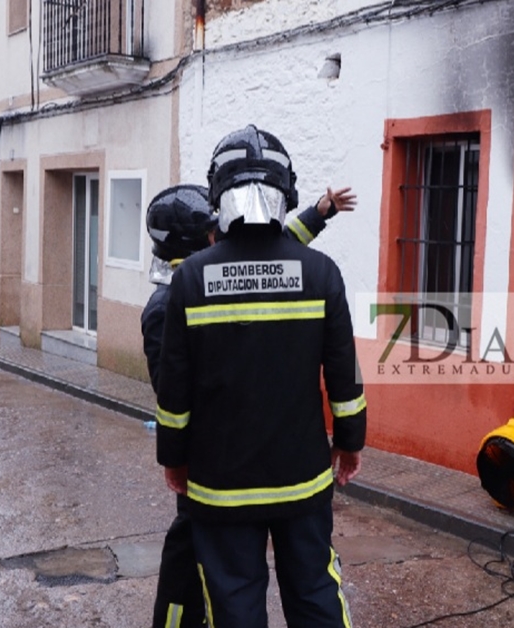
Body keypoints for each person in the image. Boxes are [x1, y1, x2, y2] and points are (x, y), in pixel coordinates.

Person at [153, 124, 366, 628]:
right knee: (315, 589)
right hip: (303, 480)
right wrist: (350, 441)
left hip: (219, 486)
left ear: (217, 195)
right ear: (285, 192)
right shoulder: (320, 273)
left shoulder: (190, 279)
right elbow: (344, 373)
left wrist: (173, 459)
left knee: (233, 603)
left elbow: (174, 390)